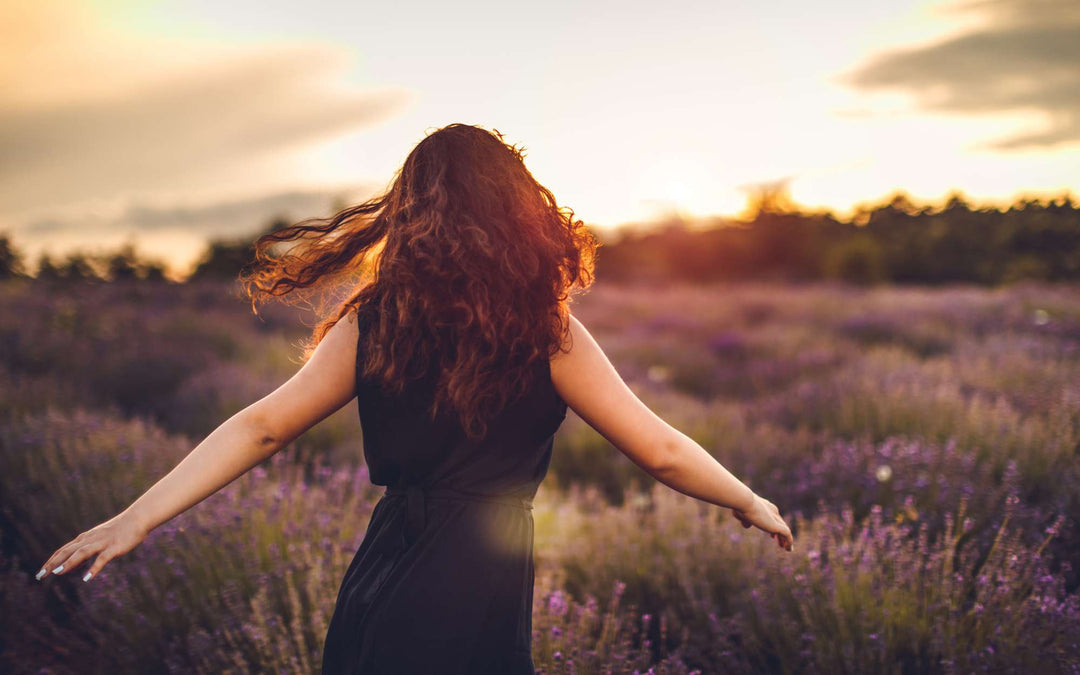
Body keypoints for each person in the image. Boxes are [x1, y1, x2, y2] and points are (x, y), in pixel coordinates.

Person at [34, 123, 793, 673]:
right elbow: (658, 448)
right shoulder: (546, 331)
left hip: (389, 559)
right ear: (516, 209)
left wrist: (138, 516)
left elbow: (263, 427)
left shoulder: (378, 320)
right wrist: (745, 497)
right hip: (479, 570)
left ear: (413, 212)